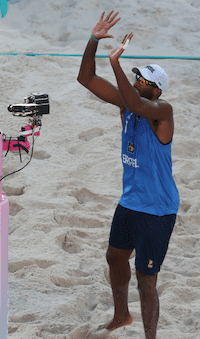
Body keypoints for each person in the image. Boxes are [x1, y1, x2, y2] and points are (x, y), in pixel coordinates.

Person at [77, 11, 179, 339]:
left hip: (158, 210)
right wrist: (93, 40)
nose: (137, 82)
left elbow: (136, 103)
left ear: (156, 90)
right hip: (131, 201)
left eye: (144, 81)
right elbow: (87, 79)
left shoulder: (162, 112)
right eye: (136, 77)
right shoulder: (129, 106)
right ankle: (121, 316)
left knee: (146, 281)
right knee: (114, 257)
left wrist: (117, 64)